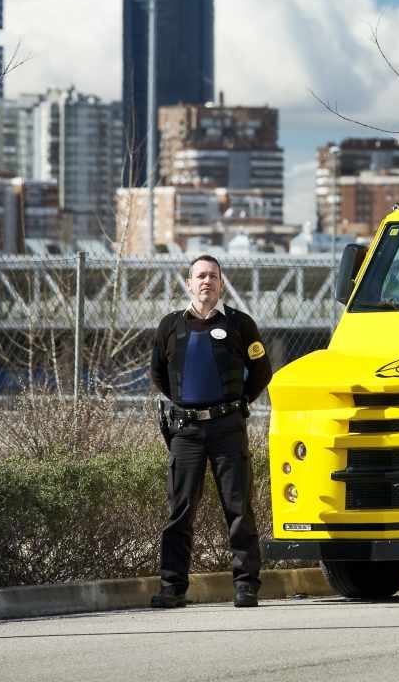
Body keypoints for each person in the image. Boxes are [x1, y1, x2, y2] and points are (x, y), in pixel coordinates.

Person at [149, 254, 271, 609]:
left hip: (227, 429)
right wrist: (185, 404)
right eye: (200, 276)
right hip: (186, 432)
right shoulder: (170, 326)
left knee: (238, 507)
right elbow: (158, 372)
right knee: (180, 510)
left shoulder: (240, 325)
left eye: (213, 277)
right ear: (189, 283)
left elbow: (262, 370)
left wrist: (238, 403)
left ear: (221, 284)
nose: (206, 282)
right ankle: (172, 588)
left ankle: (246, 585)